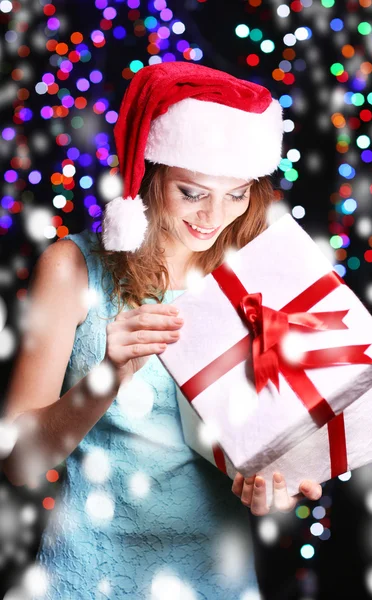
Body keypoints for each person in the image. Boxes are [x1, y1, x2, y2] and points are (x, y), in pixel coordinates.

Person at [2, 62, 322, 599]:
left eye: (237, 193)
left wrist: (277, 487)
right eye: (192, 192)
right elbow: (18, 462)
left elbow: (277, 459)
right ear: (149, 174)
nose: (214, 216)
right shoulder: (72, 268)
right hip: (90, 576)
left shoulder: (257, 279)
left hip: (216, 579)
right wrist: (107, 378)